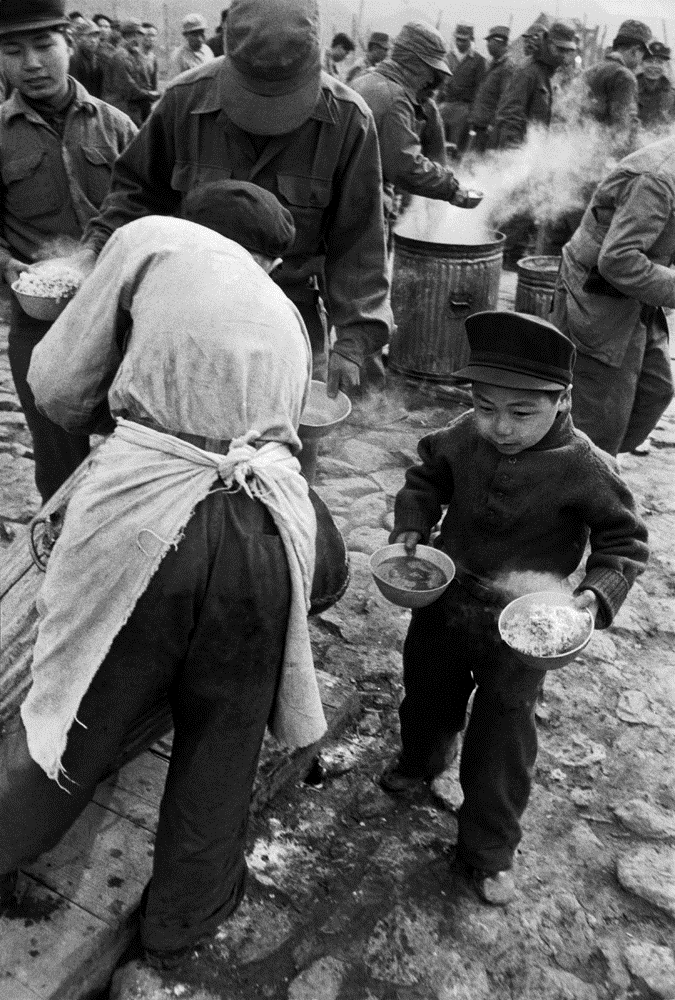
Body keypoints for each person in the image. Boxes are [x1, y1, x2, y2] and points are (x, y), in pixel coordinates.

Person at [0, 181, 335, 983]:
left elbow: (58, 385)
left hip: (151, 518)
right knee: (224, 733)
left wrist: (115, 424)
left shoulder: (152, 236)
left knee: (75, 707)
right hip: (270, 530)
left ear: (192, 223)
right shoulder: (287, 312)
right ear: (269, 260)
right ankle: (182, 921)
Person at [381, 310, 648, 905]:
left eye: (522, 412)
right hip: (446, 601)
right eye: (485, 406)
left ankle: (488, 849)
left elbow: (624, 543)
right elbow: (426, 478)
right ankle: (420, 762)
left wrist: (595, 594)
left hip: (526, 626)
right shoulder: (461, 437)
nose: (499, 427)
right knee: (426, 692)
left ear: (562, 399)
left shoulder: (586, 466)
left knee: (503, 733)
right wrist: (413, 523)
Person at [74, 0, 392, 400]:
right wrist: (93, 254)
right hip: (184, 309)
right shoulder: (184, 100)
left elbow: (359, 240)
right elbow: (135, 194)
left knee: (282, 430)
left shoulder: (348, 120)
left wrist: (354, 341)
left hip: (288, 310)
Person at [0, 0, 137, 503]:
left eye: (44, 46)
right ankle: (60, 536)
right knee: (59, 463)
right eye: (13, 51)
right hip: (41, 324)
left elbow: (152, 208)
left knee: (138, 451)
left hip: (123, 321)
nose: (31, 63)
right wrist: (8, 266)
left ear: (70, 45)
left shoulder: (117, 126)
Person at [551, 134, 675, 457]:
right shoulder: (656, 180)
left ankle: (599, 464)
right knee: (598, 418)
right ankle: (579, 471)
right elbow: (618, 260)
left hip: (636, 297)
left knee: (655, 391)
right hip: (597, 299)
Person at [351, 21, 482, 243]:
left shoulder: (360, 82)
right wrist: (452, 189)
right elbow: (405, 166)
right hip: (363, 209)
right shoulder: (396, 99)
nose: (431, 81)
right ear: (413, 63)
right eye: (431, 71)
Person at [493, 21, 577, 149]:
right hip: (517, 151)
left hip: (533, 150)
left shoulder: (548, 73)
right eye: (560, 49)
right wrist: (514, 153)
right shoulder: (528, 72)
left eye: (567, 51)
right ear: (549, 44)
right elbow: (510, 117)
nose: (563, 55)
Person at [581, 19, 651, 151]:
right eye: (642, 55)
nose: (641, 61)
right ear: (635, 51)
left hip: (581, 150)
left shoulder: (590, 71)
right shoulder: (625, 77)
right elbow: (623, 129)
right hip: (605, 154)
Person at [438, 24, 486, 154]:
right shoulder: (448, 57)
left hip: (464, 110)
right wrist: (438, 105)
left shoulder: (478, 60)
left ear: (471, 39)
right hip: (445, 107)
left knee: (456, 149)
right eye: (458, 39)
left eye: (464, 40)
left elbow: (480, 90)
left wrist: (472, 114)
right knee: (439, 146)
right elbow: (440, 83)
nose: (460, 43)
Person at [103, 18, 159, 127]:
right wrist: (150, 94)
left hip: (133, 108)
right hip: (122, 110)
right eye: (140, 35)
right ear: (133, 35)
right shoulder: (121, 56)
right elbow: (129, 89)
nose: (142, 39)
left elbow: (142, 81)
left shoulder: (133, 54)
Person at [467, 26, 513, 154]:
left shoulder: (507, 67)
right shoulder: (494, 64)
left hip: (487, 127)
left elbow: (505, 99)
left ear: (499, 42)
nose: (487, 45)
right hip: (479, 123)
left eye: (489, 41)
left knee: (479, 160)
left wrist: (493, 124)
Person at [637, 41, 675, 129]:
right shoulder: (629, 88)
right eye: (649, 61)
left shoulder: (672, 96)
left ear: (665, 65)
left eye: (659, 62)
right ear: (641, 63)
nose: (654, 66)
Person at [168, 13, 214, 79]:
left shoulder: (207, 51)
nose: (199, 39)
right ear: (186, 35)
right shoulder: (178, 56)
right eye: (195, 35)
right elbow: (174, 81)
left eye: (202, 34)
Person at [68, 17, 103, 98]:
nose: (93, 40)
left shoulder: (96, 58)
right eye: (89, 36)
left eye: (96, 36)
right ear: (79, 37)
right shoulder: (73, 59)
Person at [139, 21, 159, 121]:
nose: (150, 38)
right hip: (135, 102)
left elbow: (154, 82)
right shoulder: (134, 55)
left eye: (153, 36)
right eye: (147, 35)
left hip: (148, 101)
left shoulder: (153, 58)